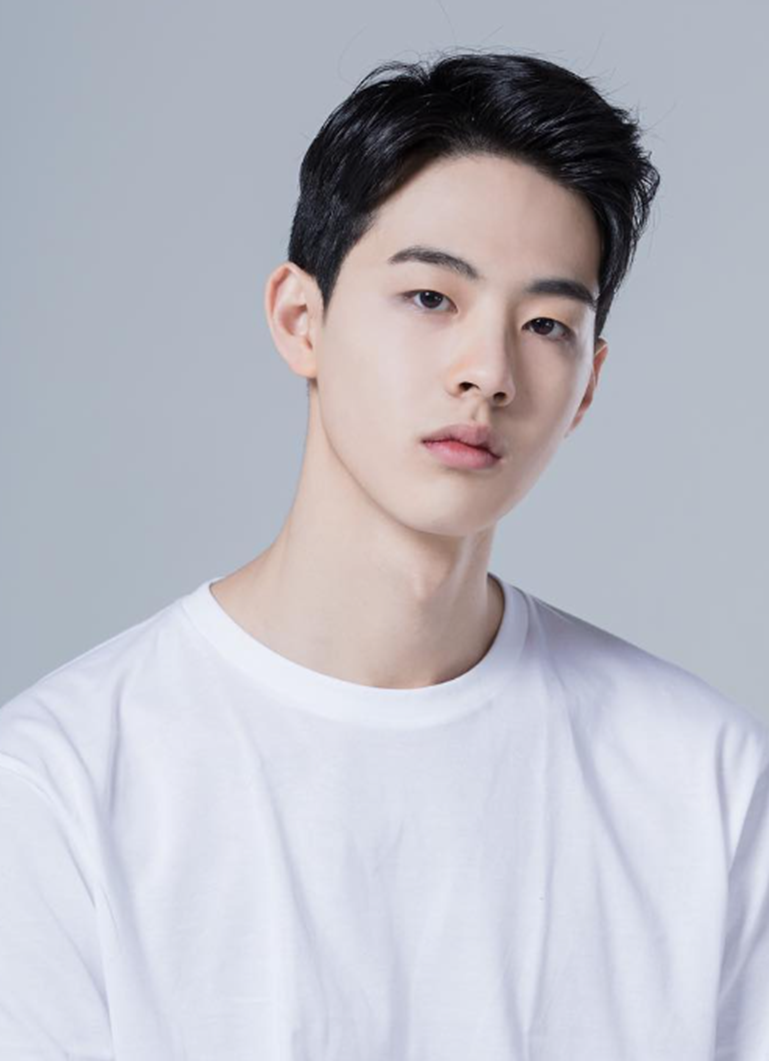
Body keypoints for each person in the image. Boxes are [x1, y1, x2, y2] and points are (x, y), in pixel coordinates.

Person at [1, 47, 767, 1060]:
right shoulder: (60, 785)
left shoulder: (702, 781)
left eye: (545, 323)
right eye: (430, 298)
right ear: (300, 320)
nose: (487, 372)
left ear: (586, 385)